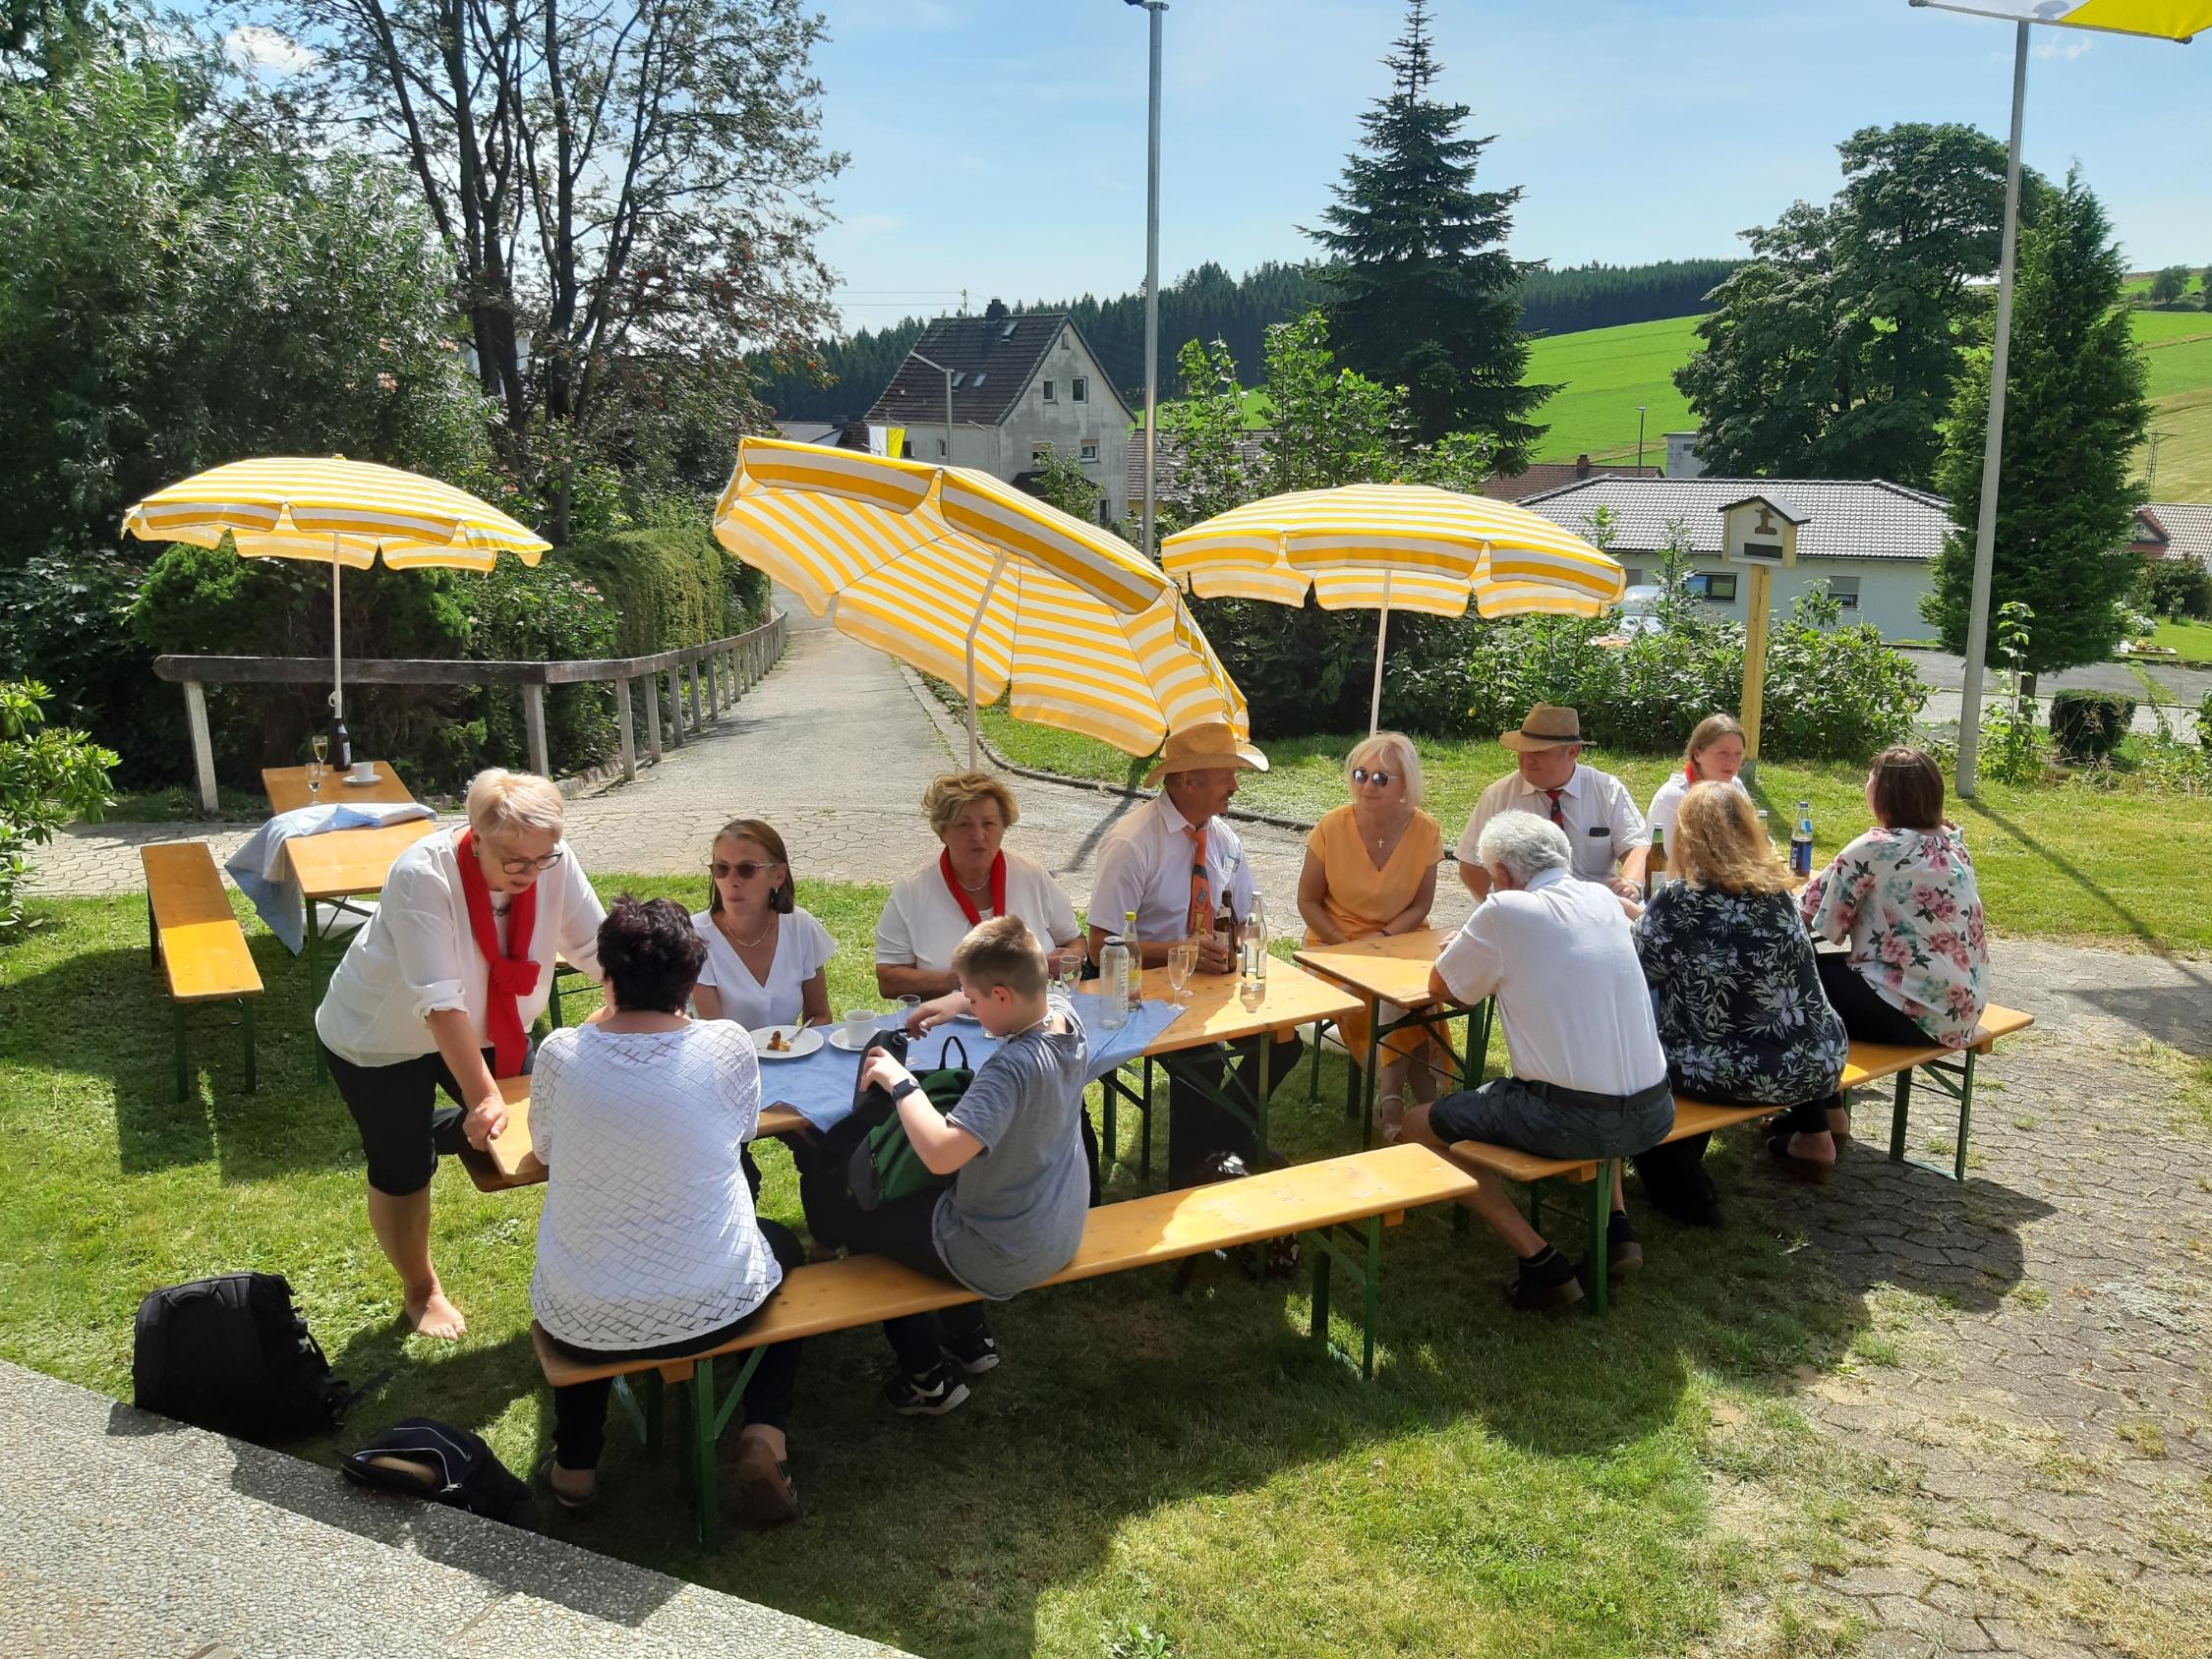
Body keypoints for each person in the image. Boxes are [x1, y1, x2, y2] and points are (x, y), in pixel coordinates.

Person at [531, 897, 804, 1521]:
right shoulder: (727, 1046)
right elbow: (740, 1130)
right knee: (785, 1247)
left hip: (584, 1318)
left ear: (606, 975)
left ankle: (575, 1466)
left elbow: (544, 1146)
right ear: (690, 978)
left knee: (588, 1264)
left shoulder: (561, 1054)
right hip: (717, 1304)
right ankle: (765, 1434)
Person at [317, 769, 606, 1341]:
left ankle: (594, 1265)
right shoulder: (423, 873)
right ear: (475, 834)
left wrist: (650, 1013)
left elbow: (598, 947)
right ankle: (421, 1290)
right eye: (514, 861)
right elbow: (440, 1004)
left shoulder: (554, 860)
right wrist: (483, 1096)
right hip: (382, 1037)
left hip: (492, 1025)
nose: (530, 873)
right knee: (401, 1164)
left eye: (541, 859)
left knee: (547, 1131)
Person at [1401, 814, 1674, 1310]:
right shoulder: (1604, 901)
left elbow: (1443, 989)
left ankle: (1540, 1261)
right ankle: (1616, 1227)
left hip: (1571, 1118)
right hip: (1655, 1110)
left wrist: (1473, 944)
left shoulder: (1504, 910)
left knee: (1416, 1126)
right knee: (1598, 1065)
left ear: (1502, 874)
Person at [829, 916, 1090, 1415]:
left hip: (1005, 1253)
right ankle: (971, 1341)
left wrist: (898, 1080)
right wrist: (951, 1004)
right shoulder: (1064, 1019)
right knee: (933, 1198)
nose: (968, 1006)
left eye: (973, 999)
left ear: (1001, 996)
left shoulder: (1009, 1070)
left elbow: (940, 1150)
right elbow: (1034, 990)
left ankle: (926, 1375)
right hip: (1060, 1229)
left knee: (863, 1218)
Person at [1087, 721, 1304, 1190]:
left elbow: (1245, 917)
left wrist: (1234, 947)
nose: (1236, 785)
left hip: (1204, 980)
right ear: (1188, 780)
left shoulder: (1223, 838)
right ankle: (1190, 1168)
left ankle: (1225, 1136)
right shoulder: (1132, 842)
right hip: (1138, 986)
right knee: (1202, 1056)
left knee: (1285, 1040)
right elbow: (1100, 945)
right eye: (1227, 774)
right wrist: (1181, 951)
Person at [1631, 781, 1848, 1223]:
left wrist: (1636, 918)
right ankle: (1814, 1133)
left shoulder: (1680, 898)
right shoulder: (1780, 894)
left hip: (1731, 1071)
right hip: (1817, 1062)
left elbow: (1641, 971)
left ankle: (1687, 1194)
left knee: (1640, 1067)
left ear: (1686, 835)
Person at [1775, 746, 1990, 1176]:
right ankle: (1831, 1114)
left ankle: (1813, 1135)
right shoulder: (1953, 840)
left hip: (1911, 1011)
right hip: (1960, 1009)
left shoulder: (1874, 848)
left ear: (1885, 792)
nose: (1865, 786)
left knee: (1785, 985)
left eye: (1870, 779)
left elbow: (1801, 918)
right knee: (1816, 977)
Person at [1295, 730, 1446, 1143]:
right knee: (1382, 997)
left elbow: (1421, 906)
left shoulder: (1426, 830)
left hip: (1400, 940)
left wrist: (1382, 938)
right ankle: (1412, 1102)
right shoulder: (1331, 826)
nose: (1366, 785)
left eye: (1381, 778)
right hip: (1333, 944)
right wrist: (1345, 943)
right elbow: (1307, 900)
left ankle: (1399, 1099)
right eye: (1361, 774)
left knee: (1416, 994)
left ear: (1405, 786)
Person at [876, 773, 1083, 1000]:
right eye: (964, 825)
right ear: (942, 831)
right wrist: (953, 981)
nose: (978, 835)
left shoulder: (1031, 875)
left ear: (1004, 827)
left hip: (1035, 1017)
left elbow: (1076, 941)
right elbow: (888, 979)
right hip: (950, 1026)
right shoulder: (912, 892)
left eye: (989, 824)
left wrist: (1071, 958)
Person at [1456, 705, 1649, 902]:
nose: (1526, 760)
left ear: (1573, 752)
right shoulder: (1498, 795)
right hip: (1529, 914)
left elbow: (1636, 846)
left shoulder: (1606, 789)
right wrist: (1501, 907)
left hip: (1596, 909)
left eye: (1538, 752)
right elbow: (1471, 866)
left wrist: (1631, 883)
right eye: (1522, 750)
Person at [691, 818, 835, 1033]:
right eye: (722, 869)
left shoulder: (800, 927)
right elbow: (714, 1037)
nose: (732, 880)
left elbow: (820, 1014)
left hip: (791, 1059)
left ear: (778, 876)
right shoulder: (695, 937)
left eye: (747, 869)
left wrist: (796, 1047)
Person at [1644, 713, 1752, 840]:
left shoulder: (1735, 786)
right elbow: (1661, 856)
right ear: (1697, 754)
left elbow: (1757, 842)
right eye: (1722, 753)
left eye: (1738, 754)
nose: (1731, 762)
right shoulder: (1673, 797)